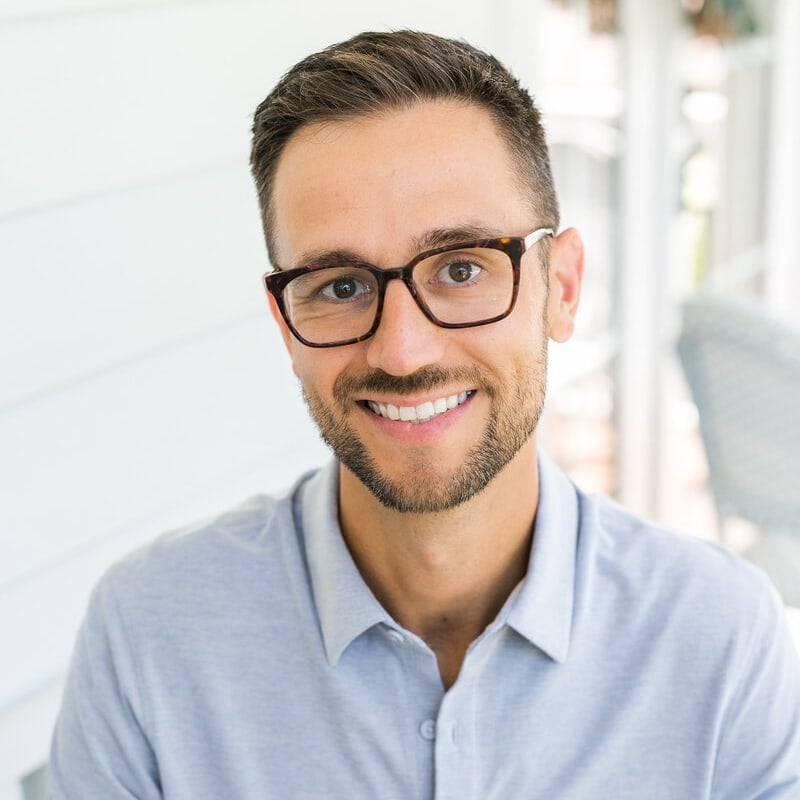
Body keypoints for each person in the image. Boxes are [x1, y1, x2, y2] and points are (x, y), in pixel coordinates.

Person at [50, 30, 800, 798]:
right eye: (340, 286)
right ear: (285, 325)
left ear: (562, 287)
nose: (403, 352)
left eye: (462, 269)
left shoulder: (722, 643)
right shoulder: (148, 636)